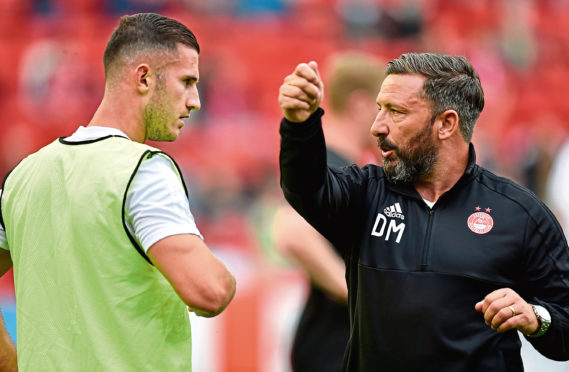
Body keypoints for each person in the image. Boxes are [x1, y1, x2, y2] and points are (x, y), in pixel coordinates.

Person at [277, 52, 569, 371]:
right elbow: (305, 188)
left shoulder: (520, 214)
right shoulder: (364, 195)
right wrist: (299, 124)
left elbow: (565, 327)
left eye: (396, 112)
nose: (377, 127)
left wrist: (535, 318)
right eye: (379, 109)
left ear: (446, 124)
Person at [0, 13, 236, 371]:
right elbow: (209, 292)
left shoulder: (24, 175)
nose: (195, 101)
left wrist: (8, 360)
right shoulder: (144, 171)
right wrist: (229, 278)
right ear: (143, 77)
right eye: (186, 81)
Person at [273, 52, 384, 372]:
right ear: (360, 105)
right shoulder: (333, 166)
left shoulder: (336, 165)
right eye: (383, 108)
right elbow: (291, 233)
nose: (388, 121)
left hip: (330, 342)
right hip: (332, 348)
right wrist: (359, 298)